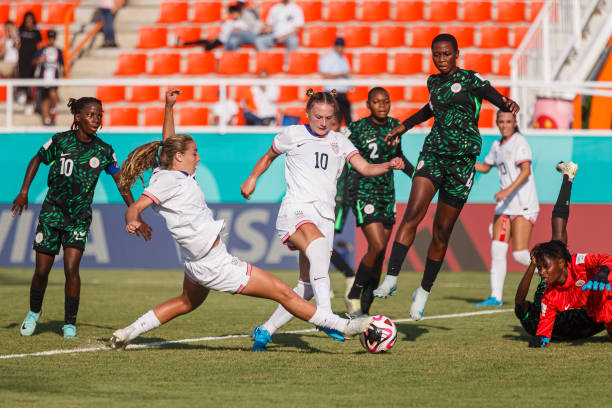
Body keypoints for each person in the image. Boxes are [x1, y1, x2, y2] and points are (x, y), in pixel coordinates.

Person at [109, 89, 372, 351]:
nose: (198, 158)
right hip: (216, 265)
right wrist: (134, 219)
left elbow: (169, 142)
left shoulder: (167, 171)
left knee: (185, 303)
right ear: (180, 157)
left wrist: (168, 109)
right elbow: (137, 207)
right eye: (194, 153)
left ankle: (128, 332)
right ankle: (339, 324)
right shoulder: (169, 180)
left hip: (196, 264)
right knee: (284, 293)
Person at [241, 89, 405, 350]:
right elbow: (269, 156)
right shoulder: (292, 135)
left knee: (306, 287)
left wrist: (388, 165)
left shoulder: (340, 141)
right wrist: (252, 178)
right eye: (318, 117)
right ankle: (327, 318)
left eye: (329, 118)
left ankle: (265, 329)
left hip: (325, 215)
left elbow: (363, 167)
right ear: (308, 114)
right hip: (296, 209)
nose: (323, 122)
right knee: (317, 247)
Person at [372, 33, 519, 321]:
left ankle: (423, 292)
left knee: (441, 231)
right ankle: (391, 278)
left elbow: (492, 95)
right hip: (434, 154)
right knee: (413, 212)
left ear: (456, 54)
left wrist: (506, 102)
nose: (441, 59)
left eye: (446, 54)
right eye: (436, 54)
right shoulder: (433, 82)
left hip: (462, 162)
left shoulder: (471, 79)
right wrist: (404, 126)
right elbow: (430, 108)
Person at [12, 96, 152, 339]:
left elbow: (121, 183)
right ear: (77, 117)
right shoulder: (60, 141)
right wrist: (24, 191)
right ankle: (34, 312)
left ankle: (69, 324)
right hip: (52, 213)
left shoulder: (104, 150)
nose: (96, 120)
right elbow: (37, 159)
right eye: (91, 114)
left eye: (99, 115)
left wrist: (135, 211)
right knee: (41, 272)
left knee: (71, 269)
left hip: (79, 218)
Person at [344, 87, 416, 317]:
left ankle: (364, 311)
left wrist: (417, 176)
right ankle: (354, 292)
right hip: (365, 192)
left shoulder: (396, 126)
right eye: (377, 102)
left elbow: (399, 158)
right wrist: (346, 191)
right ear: (368, 105)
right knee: (376, 246)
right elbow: (346, 159)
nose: (382, 106)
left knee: (380, 255)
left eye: (386, 101)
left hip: (387, 193)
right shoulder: (357, 129)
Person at [516, 162, 605, 342]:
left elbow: (520, 300)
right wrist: (532, 265)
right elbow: (519, 300)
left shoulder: (546, 284)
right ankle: (568, 177)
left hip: (585, 323)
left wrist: (535, 263)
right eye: (540, 268)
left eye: (542, 267)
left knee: (557, 239)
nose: (541, 271)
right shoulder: (534, 319)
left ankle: (568, 177)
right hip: (586, 324)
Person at [474, 111, 538, 306]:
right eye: (501, 121)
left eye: (508, 121)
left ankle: (550, 270)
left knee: (519, 255)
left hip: (523, 204)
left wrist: (507, 190)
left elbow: (526, 171)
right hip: (504, 207)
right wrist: (463, 162)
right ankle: (496, 297)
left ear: (515, 123)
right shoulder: (496, 145)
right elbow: (485, 167)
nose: (504, 125)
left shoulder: (520, 143)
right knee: (497, 249)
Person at [329, 111, 357, 312]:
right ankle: (323, 284)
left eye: (331, 121)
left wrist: (344, 198)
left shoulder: (343, 141)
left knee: (325, 241)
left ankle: (349, 274)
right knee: (316, 242)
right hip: (325, 198)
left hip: (337, 199)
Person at [33, 29, 64, 126]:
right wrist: (40, 60)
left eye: (53, 38)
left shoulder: (58, 51)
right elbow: (33, 62)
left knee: (53, 93)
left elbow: (61, 64)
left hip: (53, 78)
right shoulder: (42, 50)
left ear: (55, 38)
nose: (51, 40)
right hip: (44, 78)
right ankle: (47, 120)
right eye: (50, 38)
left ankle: (53, 110)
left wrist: (63, 75)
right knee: (45, 99)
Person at [318, 37, 352, 124]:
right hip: (332, 93)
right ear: (335, 46)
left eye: (342, 46)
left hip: (342, 94)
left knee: (347, 119)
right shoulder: (327, 58)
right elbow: (325, 75)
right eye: (338, 46)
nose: (340, 48)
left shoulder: (344, 59)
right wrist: (341, 74)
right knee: (334, 120)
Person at [17, 12, 42, 113]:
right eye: (27, 19)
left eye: (30, 19)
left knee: (30, 80)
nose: (28, 21)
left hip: (32, 61)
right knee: (22, 77)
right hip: (22, 59)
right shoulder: (20, 30)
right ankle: (22, 96)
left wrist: (38, 59)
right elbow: (17, 43)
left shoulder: (36, 32)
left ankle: (29, 101)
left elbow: (40, 46)